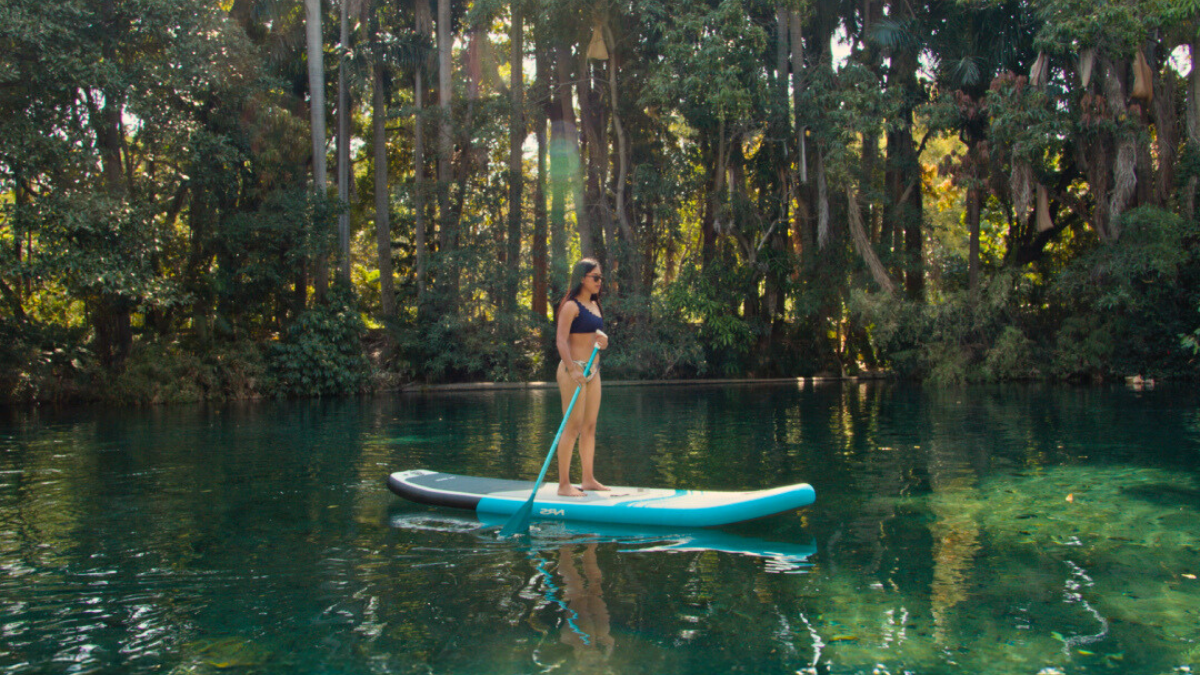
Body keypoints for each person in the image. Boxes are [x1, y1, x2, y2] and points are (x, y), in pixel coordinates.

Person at [554, 258, 610, 497]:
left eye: (601, 278)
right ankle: (564, 485)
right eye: (595, 277)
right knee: (573, 426)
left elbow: (593, 337)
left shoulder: (595, 305)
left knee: (589, 427)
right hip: (573, 371)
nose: (599, 282)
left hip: (593, 371)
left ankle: (587, 479)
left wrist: (603, 341)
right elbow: (561, 340)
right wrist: (572, 368)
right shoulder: (571, 306)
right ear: (581, 278)